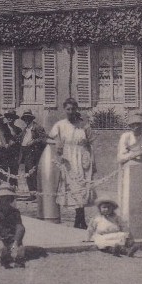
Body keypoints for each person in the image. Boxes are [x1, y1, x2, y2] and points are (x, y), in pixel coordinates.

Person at [48, 98, 96, 229]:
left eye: (73, 109)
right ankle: (79, 219)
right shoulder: (60, 125)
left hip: (82, 158)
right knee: (73, 188)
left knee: (82, 188)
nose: (70, 111)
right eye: (68, 109)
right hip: (68, 159)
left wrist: (91, 160)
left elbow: (91, 142)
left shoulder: (84, 125)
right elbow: (51, 136)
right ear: (64, 109)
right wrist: (58, 142)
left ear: (76, 109)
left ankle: (79, 219)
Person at [0, 186, 26, 268]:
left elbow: (20, 227)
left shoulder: (15, 212)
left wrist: (16, 242)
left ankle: (17, 255)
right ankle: (3, 256)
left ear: (11, 200)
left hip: (11, 239)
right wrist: (0, 242)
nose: (5, 202)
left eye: (7, 199)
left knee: (17, 248)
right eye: (2, 199)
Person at [117, 112, 142, 196]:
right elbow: (121, 158)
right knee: (128, 194)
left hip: (141, 168)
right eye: (134, 124)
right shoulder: (126, 136)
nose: (137, 127)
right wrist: (137, 153)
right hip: (128, 168)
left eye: (140, 124)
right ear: (130, 126)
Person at [18, 110, 47, 198]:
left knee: (33, 173)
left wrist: (34, 141)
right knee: (28, 174)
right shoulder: (25, 129)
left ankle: (37, 194)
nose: (26, 120)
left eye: (28, 118)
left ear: (31, 118)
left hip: (34, 153)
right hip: (25, 153)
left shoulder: (37, 127)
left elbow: (43, 139)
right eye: (25, 119)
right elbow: (20, 138)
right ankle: (32, 194)